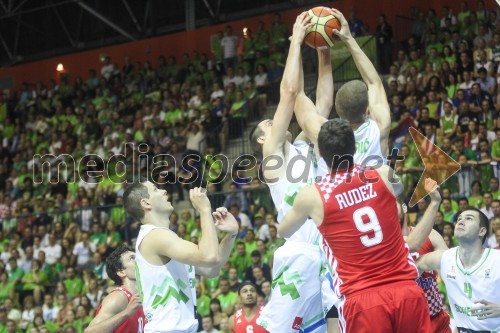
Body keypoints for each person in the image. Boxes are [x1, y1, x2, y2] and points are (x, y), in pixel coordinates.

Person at [278, 118, 431, 332]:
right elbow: (397, 194)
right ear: (354, 146)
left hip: (363, 299)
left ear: (321, 154)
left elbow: (283, 231)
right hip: (405, 289)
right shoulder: (384, 173)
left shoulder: (313, 196)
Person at [249, 12, 336, 333]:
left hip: (326, 252)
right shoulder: (271, 157)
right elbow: (289, 94)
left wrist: (324, 52)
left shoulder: (299, 146)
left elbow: (323, 105)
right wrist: (297, 42)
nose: (276, 122)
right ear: (261, 138)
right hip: (299, 256)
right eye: (269, 124)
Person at [124, 183, 238, 333]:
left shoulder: (167, 239)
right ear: (146, 203)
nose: (164, 191)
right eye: (156, 189)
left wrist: (231, 234)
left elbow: (211, 269)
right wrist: (204, 210)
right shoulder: (154, 236)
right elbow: (209, 256)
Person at [293, 8, 391, 168]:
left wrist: (297, 45)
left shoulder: (326, 137)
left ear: (336, 112)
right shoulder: (380, 126)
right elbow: (374, 83)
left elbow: (297, 95)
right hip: (375, 192)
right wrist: (348, 38)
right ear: (367, 110)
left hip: (340, 192)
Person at [417, 208, 500, 332]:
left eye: (469, 218)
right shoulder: (444, 258)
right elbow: (414, 266)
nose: (461, 221)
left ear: (482, 231)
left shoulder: (496, 259)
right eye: (459, 219)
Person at [398, 189, 452, 333]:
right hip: (409, 324)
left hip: (437, 319)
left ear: (404, 207)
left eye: (392, 203)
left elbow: (451, 269)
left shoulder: (431, 235)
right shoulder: (384, 245)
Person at [85, 246, 145, 333]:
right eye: (132, 258)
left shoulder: (142, 296)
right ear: (121, 272)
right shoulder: (119, 297)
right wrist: (126, 313)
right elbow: (90, 332)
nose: (138, 260)